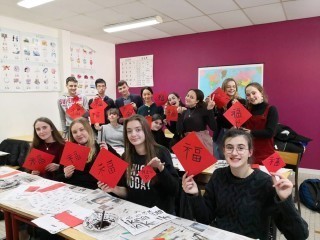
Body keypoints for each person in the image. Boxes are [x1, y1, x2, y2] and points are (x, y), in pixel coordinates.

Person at [182, 128, 309, 240]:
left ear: (250, 152)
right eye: (229, 147)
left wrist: (285, 200)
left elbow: (299, 235)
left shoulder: (265, 183)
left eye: (241, 148)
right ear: (224, 151)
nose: (234, 153)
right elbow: (205, 218)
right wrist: (195, 195)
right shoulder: (218, 175)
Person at [98, 114, 179, 214]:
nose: (133, 134)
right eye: (129, 131)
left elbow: (174, 190)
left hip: (158, 214)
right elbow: (130, 193)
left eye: (138, 130)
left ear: (145, 131)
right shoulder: (126, 156)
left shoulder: (161, 152)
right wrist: (114, 189)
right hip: (134, 213)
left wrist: (160, 168)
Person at [61, 117, 119, 189]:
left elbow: (117, 172)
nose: (78, 134)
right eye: (74, 132)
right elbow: (59, 176)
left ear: (88, 130)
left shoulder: (102, 147)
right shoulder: (70, 151)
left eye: (82, 130)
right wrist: (65, 175)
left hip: (96, 191)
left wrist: (106, 155)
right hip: (74, 190)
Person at [241, 82, 278, 164]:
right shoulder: (246, 110)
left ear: (261, 92)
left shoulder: (271, 109)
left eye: (254, 93)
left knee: (275, 176)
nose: (251, 97)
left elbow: (270, 132)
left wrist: (250, 132)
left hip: (268, 154)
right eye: (248, 95)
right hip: (249, 154)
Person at [176, 89, 216, 154]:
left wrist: (210, 110)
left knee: (204, 163)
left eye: (191, 97)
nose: (188, 98)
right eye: (187, 95)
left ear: (197, 101)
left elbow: (213, 127)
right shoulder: (184, 111)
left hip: (201, 142)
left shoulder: (203, 110)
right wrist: (179, 114)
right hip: (188, 143)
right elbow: (179, 131)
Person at [214, 78, 246, 159]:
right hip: (220, 132)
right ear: (224, 88)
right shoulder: (219, 102)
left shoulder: (242, 101)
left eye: (233, 86)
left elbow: (243, 120)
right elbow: (219, 121)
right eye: (228, 87)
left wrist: (237, 106)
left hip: (235, 132)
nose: (231, 89)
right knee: (220, 155)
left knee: (233, 155)